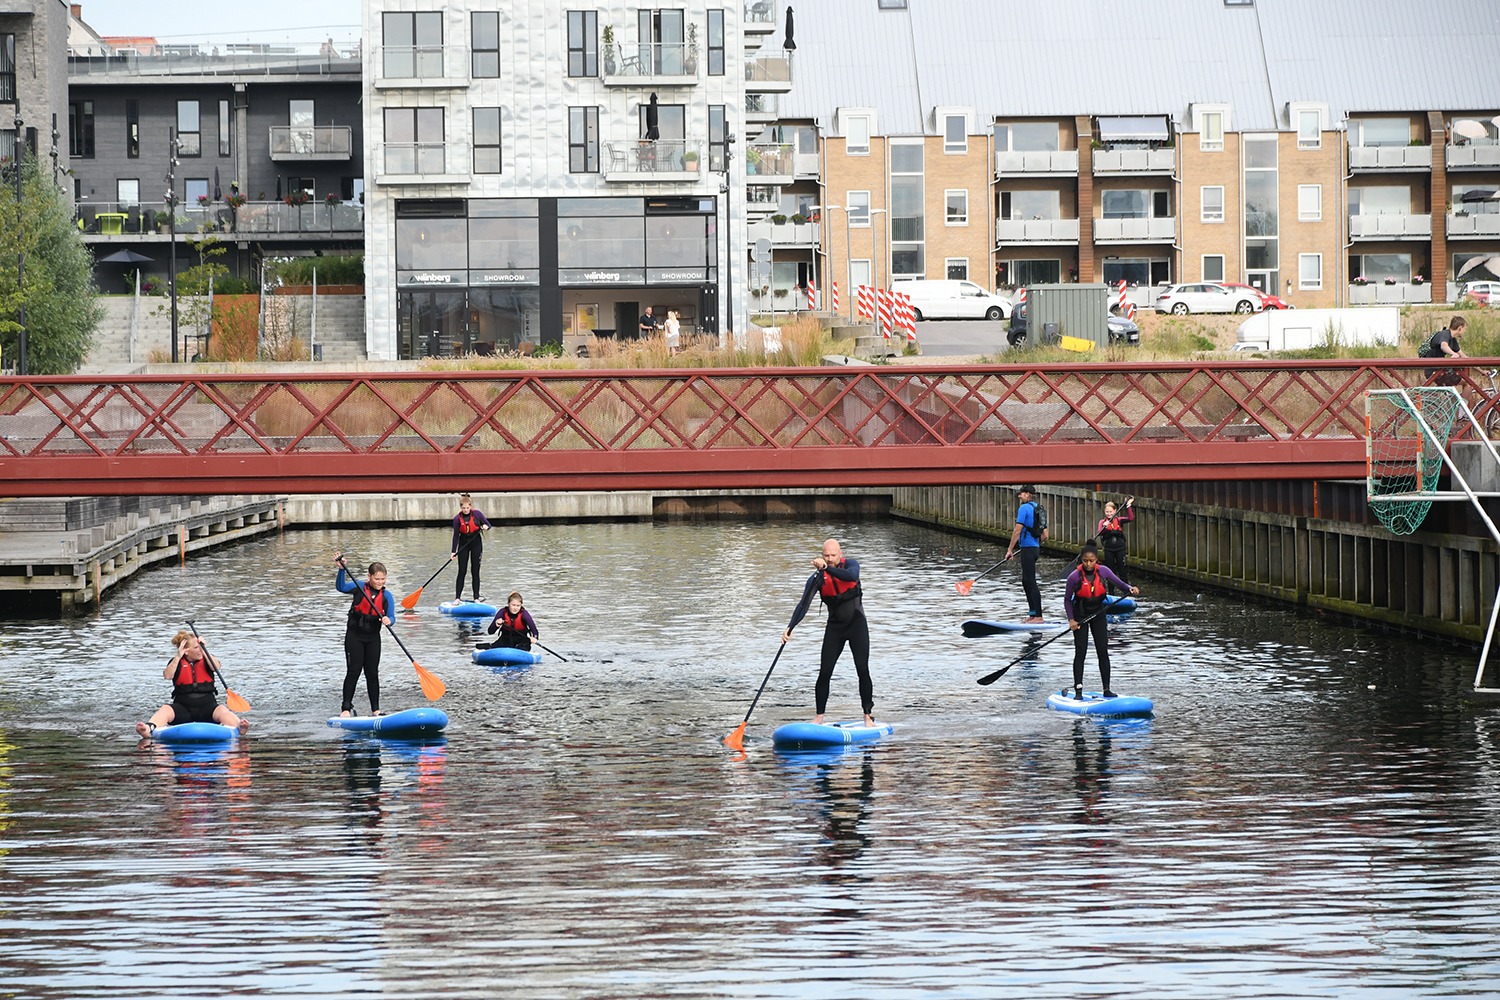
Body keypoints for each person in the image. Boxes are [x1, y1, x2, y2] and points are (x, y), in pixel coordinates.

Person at [782, 538, 876, 727]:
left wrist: (826, 567)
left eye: (833, 555)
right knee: (824, 671)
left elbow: (850, 577)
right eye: (826, 555)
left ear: (840, 554)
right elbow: (803, 605)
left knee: (862, 669)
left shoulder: (851, 565)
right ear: (821, 555)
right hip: (835, 628)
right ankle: (819, 717)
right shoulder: (817, 579)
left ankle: (867, 716)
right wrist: (790, 627)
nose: (830, 558)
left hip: (857, 625)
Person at [136, 630, 249, 737]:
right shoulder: (176, 662)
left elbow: (216, 668)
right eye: (196, 647)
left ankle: (239, 726)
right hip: (182, 708)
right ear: (186, 650)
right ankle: (148, 728)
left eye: (201, 647)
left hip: (207, 708)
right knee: (165, 709)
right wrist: (178, 655)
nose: (199, 650)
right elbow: (168, 676)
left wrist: (204, 650)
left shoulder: (207, 659)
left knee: (222, 710)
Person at [1064, 543, 1139, 700]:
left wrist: (1131, 589)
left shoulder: (1104, 571)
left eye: (1091, 561)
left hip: (1098, 613)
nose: (1088, 564)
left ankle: (1106, 689)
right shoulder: (1074, 577)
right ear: (1081, 561)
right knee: (1081, 652)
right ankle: (1078, 691)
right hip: (1080, 615)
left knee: (1102, 650)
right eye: (1085, 561)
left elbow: (1121, 585)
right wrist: (1071, 619)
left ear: (1096, 560)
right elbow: (1067, 600)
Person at [334, 553, 394, 717]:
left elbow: (392, 616)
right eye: (377, 579)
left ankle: (376, 709)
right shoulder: (359, 587)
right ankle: (346, 708)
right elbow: (340, 587)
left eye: (383, 579)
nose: (380, 582)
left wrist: (389, 620)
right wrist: (341, 570)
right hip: (355, 637)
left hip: (373, 639)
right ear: (369, 577)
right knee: (353, 671)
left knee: (372, 673)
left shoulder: (387, 596)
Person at [1003, 485, 1048, 623]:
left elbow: (1017, 531)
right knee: (1025, 581)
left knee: (1030, 581)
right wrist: (1033, 544)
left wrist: (1010, 550)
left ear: (1028, 494)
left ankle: (1039, 616)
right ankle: (1033, 613)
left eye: (1021, 494)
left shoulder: (1024, 508)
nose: (1019, 496)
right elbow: (1045, 535)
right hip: (1034, 549)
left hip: (1027, 549)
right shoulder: (1039, 508)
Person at [449, 494, 491, 603]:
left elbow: (488, 524)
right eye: (463, 508)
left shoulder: (477, 514)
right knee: (462, 571)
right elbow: (455, 536)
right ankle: (457, 598)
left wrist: (486, 527)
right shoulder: (457, 519)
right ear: (461, 508)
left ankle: (476, 598)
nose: (466, 510)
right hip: (463, 544)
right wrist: (453, 551)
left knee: (475, 571)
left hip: (476, 543)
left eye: (467, 508)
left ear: (470, 506)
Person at [1096, 496, 1136, 595]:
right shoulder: (1102, 522)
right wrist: (1104, 527)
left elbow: (1131, 518)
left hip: (1119, 549)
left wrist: (1128, 506)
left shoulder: (1119, 520)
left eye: (1111, 512)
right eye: (1107, 512)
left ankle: (1127, 593)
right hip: (1109, 550)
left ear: (1115, 511)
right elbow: (1099, 533)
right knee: (1110, 572)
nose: (1109, 514)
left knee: (1122, 571)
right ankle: (1111, 593)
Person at [1420, 315, 1468, 385]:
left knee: (1450, 388)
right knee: (1467, 384)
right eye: (1465, 329)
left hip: (1440, 370)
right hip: (1434, 371)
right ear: (1460, 328)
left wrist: (1481, 371)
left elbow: (1464, 357)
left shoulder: (1453, 340)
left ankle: (1448, 395)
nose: (1464, 331)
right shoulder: (1445, 334)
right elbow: (1443, 346)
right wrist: (1453, 353)